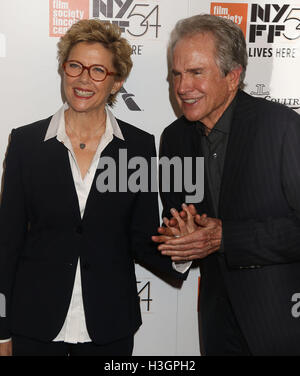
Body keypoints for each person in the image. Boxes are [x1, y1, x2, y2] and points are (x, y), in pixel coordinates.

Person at [0, 19, 185, 356]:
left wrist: (181, 252)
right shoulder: (26, 143)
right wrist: (1, 331)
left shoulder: (137, 148)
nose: (84, 79)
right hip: (34, 326)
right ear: (63, 69)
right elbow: (6, 242)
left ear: (117, 82)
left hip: (109, 327)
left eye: (98, 70)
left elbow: (142, 240)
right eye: (75, 66)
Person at [152, 14, 300, 355]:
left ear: (233, 77)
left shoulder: (281, 128)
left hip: (283, 324)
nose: (182, 87)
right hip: (217, 325)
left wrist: (226, 237)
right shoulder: (174, 139)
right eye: (177, 74)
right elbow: (177, 223)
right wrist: (180, 241)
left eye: (196, 73)